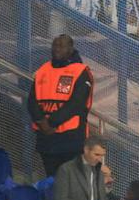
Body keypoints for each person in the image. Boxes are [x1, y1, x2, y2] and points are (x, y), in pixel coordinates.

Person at [28, 34, 93, 177]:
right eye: (55, 45)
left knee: (70, 183)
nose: (57, 49)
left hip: (71, 141)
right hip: (46, 140)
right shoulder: (43, 70)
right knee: (50, 183)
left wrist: (51, 122)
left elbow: (76, 104)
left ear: (70, 49)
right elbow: (32, 101)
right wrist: (41, 122)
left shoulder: (80, 71)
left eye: (61, 46)